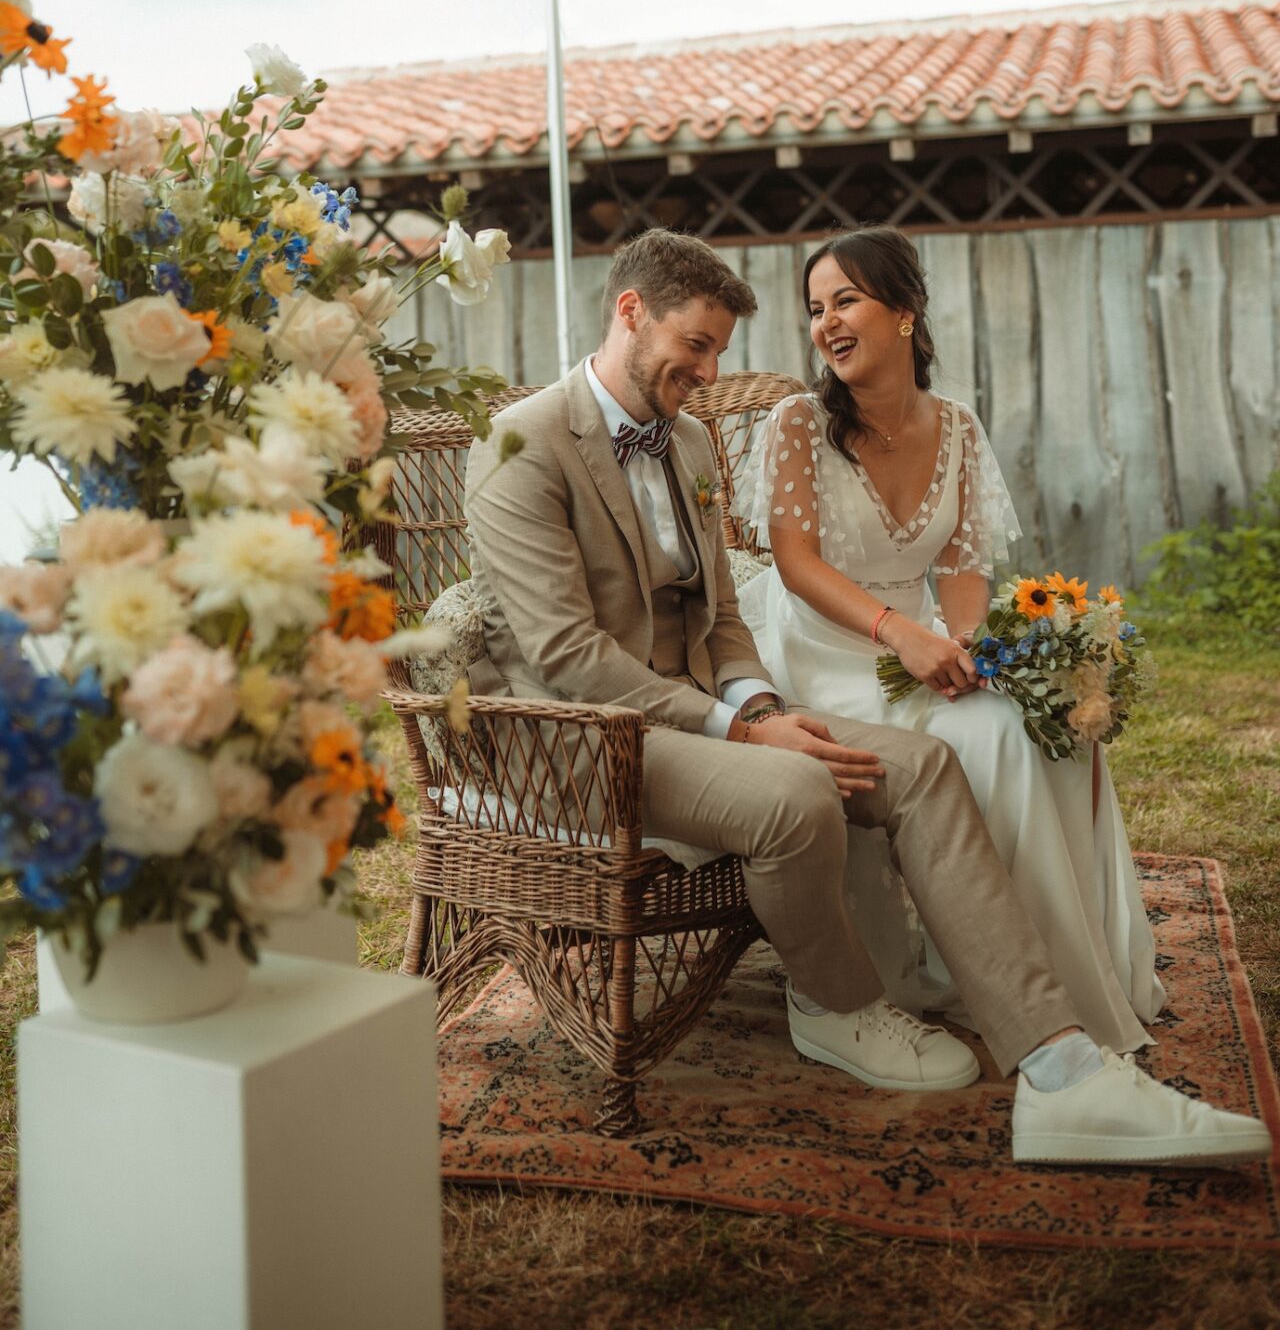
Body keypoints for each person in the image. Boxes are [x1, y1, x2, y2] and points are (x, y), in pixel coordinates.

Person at [464, 228, 1270, 1166]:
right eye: (697, 345)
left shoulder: (684, 440)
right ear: (631, 313)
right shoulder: (519, 445)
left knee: (925, 766)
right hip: (588, 740)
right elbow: (567, 657)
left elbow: (724, 617)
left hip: (711, 717)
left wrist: (760, 709)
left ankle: (1061, 1072)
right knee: (804, 793)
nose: (712, 370)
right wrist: (745, 732)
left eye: (722, 349)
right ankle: (838, 1004)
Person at [736, 226, 1163, 1057]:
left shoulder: (958, 427)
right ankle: (1017, 997)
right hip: (822, 648)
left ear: (905, 311)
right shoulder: (797, 422)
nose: (826, 323)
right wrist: (902, 636)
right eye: (815, 309)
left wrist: (968, 646)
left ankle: (1062, 985)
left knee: (1030, 731)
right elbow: (794, 565)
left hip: (921, 646)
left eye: (846, 300)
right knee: (991, 738)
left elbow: (965, 567)